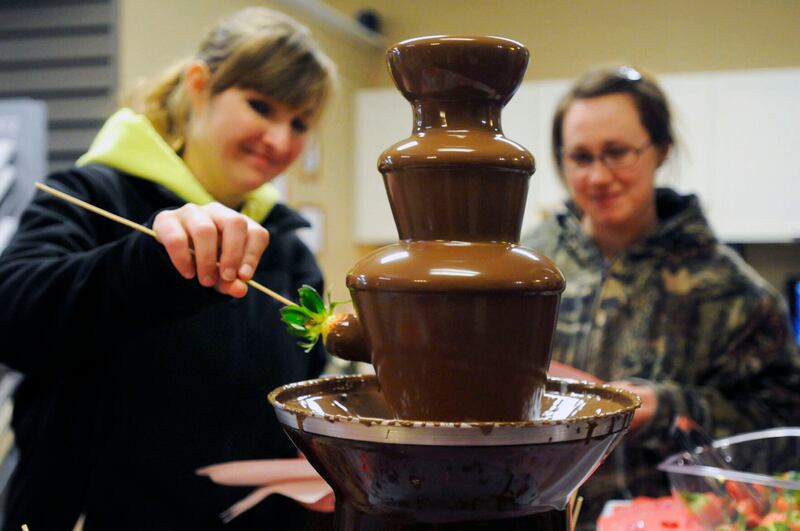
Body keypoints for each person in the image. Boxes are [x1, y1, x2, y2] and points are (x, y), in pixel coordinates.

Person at [0, 7, 336, 531]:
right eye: (260, 105)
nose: (279, 140)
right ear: (199, 85)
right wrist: (155, 262)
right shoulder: (89, 196)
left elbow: (295, 394)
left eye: (299, 123)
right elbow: (14, 319)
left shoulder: (289, 250)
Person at [523, 65, 800, 528]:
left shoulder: (729, 289)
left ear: (661, 150)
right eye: (580, 157)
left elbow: (784, 432)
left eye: (617, 153)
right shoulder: (527, 269)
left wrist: (667, 409)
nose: (597, 176)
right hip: (532, 514)